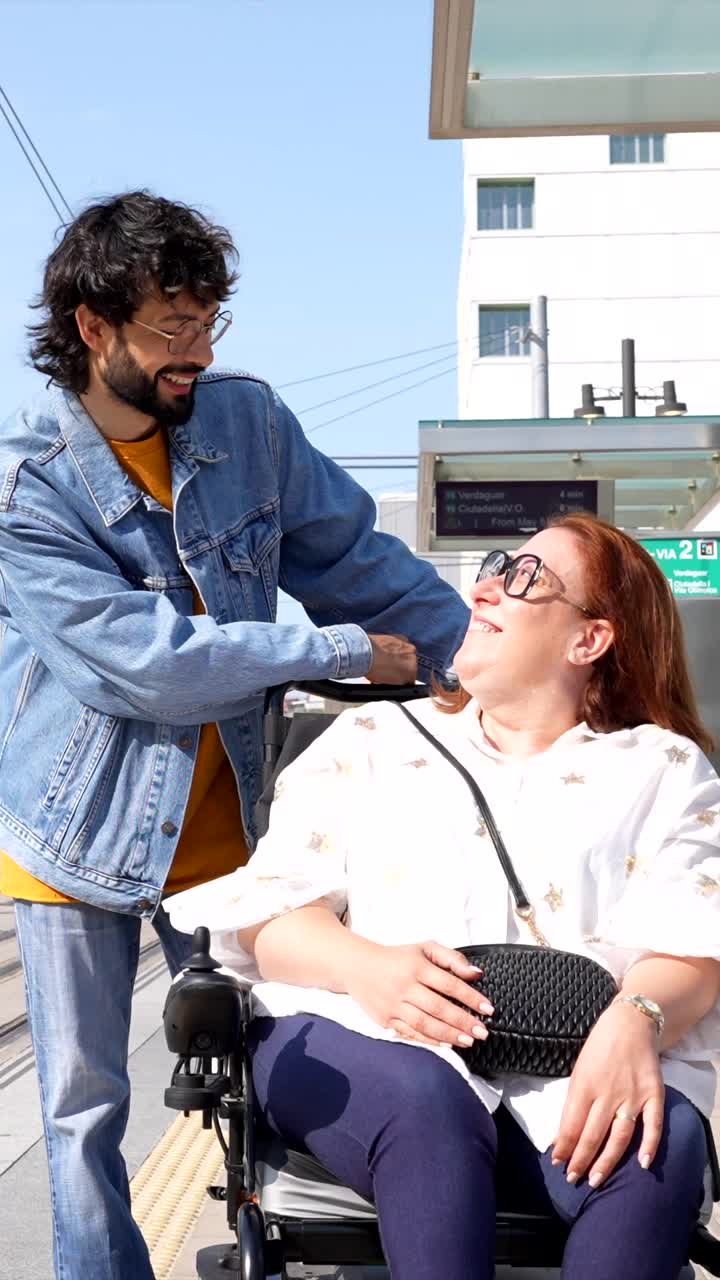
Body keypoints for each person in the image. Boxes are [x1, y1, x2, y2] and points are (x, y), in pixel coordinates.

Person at [0, 190, 469, 1280]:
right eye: (173, 328)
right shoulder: (29, 489)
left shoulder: (245, 422)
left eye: (209, 325)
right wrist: (341, 653)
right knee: (82, 1110)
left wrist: (477, 665)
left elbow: (361, 560)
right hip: (75, 834)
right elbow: (147, 662)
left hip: (232, 834)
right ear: (92, 325)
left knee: (262, 1076)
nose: (197, 354)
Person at [169, 513, 720, 1280]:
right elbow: (266, 918)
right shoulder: (372, 740)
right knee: (428, 1100)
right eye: (499, 564)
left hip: (570, 1064)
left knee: (659, 1144)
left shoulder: (662, 768)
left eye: (527, 577)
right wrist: (370, 969)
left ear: (588, 640)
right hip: (358, 1038)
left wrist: (638, 1019)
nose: (488, 584)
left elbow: (693, 939)